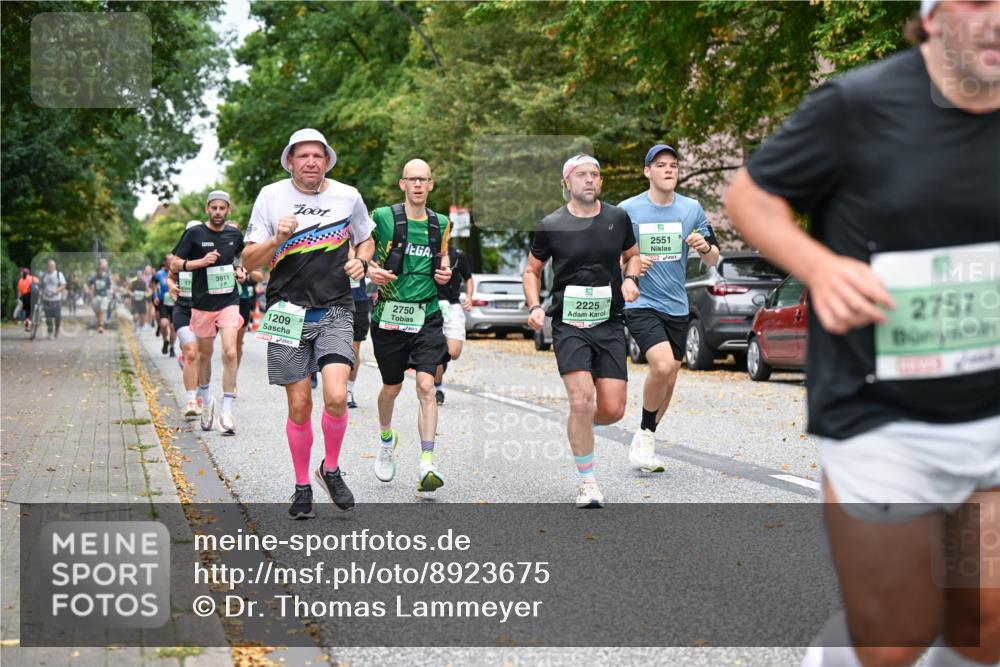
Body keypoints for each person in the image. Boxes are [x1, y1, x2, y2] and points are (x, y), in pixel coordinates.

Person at [724, 1, 1000, 666]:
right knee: (894, 635)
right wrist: (820, 267)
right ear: (932, 16)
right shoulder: (858, 105)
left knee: (985, 624)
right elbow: (749, 197)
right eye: (977, 1)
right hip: (884, 418)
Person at [242, 128, 375, 519]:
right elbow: (249, 260)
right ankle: (302, 486)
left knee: (335, 396)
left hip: (336, 308)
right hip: (286, 312)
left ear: (327, 161)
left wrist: (361, 260)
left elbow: (366, 238)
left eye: (318, 156)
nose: (312, 162)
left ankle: (330, 469)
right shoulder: (270, 196)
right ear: (290, 161)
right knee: (300, 405)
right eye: (303, 156)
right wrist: (277, 239)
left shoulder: (348, 196)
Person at [523, 154, 641, 508]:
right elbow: (531, 271)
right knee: (581, 399)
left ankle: (580, 424)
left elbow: (633, 255)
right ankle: (588, 482)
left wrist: (631, 279)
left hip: (609, 322)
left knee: (613, 410)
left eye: (595, 174)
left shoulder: (617, 218)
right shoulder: (551, 224)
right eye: (582, 174)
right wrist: (534, 307)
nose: (590, 179)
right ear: (566, 183)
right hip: (569, 323)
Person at [618, 144, 720, 473]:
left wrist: (704, 247)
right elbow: (609, 256)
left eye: (673, 165)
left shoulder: (691, 209)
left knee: (671, 377)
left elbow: (713, 257)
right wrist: (631, 265)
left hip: (676, 305)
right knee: (662, 366)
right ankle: (645, 437)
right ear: (647, 171)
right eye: (660, 165)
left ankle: (645, 436)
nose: (668, 170)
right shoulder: (627, 210)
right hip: (641, 302)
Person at [367, 159, 453, 493]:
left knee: (426, 386)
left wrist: (444, 272)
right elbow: (359, 248)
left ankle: (427, 462)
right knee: (391, 387)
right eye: (412, 179)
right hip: (389, 316)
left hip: (426, 314)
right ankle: (386, 439)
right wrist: (370, 268)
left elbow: (443, 257)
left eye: (424, 179)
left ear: (431, 185)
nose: (418, 184)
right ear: (402, 184)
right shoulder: (382, 217)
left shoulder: (441, 222)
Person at [170, 191, 246, 435]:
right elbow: (174, 264)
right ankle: (205, 401)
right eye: (214, 208)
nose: (218, 212)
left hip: (228, 301)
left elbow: (240, 257)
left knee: (231, 351)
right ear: (207, 209)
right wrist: (199, 263)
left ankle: (227, 410)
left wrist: (240, 270)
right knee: (204, 355)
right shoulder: (195, 233)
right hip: (202, 304)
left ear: (228, 210)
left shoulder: (235, 235)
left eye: (222, 208)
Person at [170, 221, 204, 418]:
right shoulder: (179, 259)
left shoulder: (211, 257)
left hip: (204, 311)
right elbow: (170, 277)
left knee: (200, 355)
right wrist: (171, 286)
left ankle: (200, 394)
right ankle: (191, 400)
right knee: (191, 352)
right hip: (182, 309)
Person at [434, 245, 474, 405]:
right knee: (435, 351)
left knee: (454, 352)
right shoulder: (427, 251)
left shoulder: (458, 255)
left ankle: (442, 362)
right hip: (432, 305)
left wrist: (469, 296)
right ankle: (438, 389)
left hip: (452, 306)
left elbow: (468, 278)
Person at [346, 274, 370, 409]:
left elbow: (373, 267)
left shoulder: (364, 257)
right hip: (336, 300)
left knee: (354, 349)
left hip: (359, 301)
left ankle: (349, 390)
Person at [154, 256, 177, 356]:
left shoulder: (179, 272)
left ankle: (172, 347)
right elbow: (154, 286)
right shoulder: (159, 274)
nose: (171, 262)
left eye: (172, 260)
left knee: (173, 328)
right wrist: (155, 296)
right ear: (165, 262)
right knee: (163, 324)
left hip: (175, 303)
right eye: (169, 260)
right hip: (163, 302)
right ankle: (165, 340)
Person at [40, 259, 66, 339]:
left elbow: (63, 285)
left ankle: (57, 329)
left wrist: (57, 290)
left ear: (55, 266)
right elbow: (42, 285)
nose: (50, 267)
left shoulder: (59, 274)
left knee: (57, 316)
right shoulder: (44, 275)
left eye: (52, 266)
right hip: (46, 299)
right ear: (47, 266)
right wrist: (41, 292)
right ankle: (50, 332)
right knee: (48, 317)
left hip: (56, 299)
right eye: (49, 265)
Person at [87, 258, 113, 334]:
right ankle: (100, 323)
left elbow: (109, 286)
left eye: (102, 271)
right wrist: (89, 292)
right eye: (99, 271)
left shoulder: (106, 277)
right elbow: (89, 285)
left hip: (104, 296)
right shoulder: (94, 277)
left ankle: (100, 326)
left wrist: (110, 292)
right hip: (96, 296)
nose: (101, 272)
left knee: (102, 311)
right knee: (98, 312)